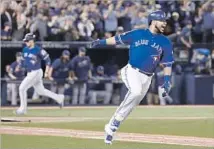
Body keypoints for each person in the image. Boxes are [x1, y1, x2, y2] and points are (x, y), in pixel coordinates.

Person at [90, 10, 174, 144]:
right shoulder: (138, 33)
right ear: (153, 21)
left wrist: (167, 80)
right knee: (135, 92)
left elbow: (167, 64)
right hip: (132, 71)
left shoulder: (165, 42)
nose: (164, 23)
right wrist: (101, 42)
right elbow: (117, 40)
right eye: (162, 20)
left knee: (132, 104)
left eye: (165, 21)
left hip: (148, 77)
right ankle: (114, 124)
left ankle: (112, 125)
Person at [15, 33, 64, 115]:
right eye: (25, 41)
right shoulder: (25, 49)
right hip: (30, 73)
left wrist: (47, 71)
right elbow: (23, 60)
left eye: (27, 41)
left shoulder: (38, 49)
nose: (26, 42)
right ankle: (59, 98)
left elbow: (48, 60)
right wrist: (19, 66)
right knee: (41, 91)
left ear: (32, 41)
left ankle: (23, 109)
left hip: (36, 72)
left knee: (22, 88)